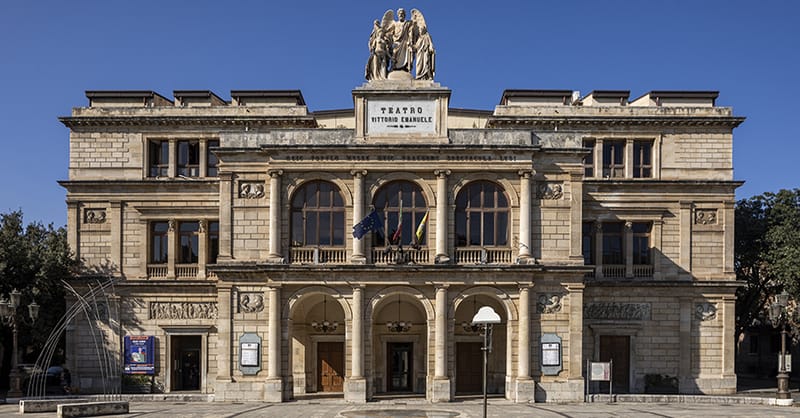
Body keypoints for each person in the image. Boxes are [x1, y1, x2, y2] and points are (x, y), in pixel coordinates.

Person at [387, 8, 414, 72]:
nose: (401, 15)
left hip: (404, 42)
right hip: (396, 43)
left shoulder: (407, 23)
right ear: (398, 15)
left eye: (402, 13)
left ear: (404, 15)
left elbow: (410, 32)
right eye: (399, 14)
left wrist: (410, 40)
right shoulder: (395, 24)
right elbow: (389, 32)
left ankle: (405, 67)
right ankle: (393, 67)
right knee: (394, 53)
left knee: (406, 54)